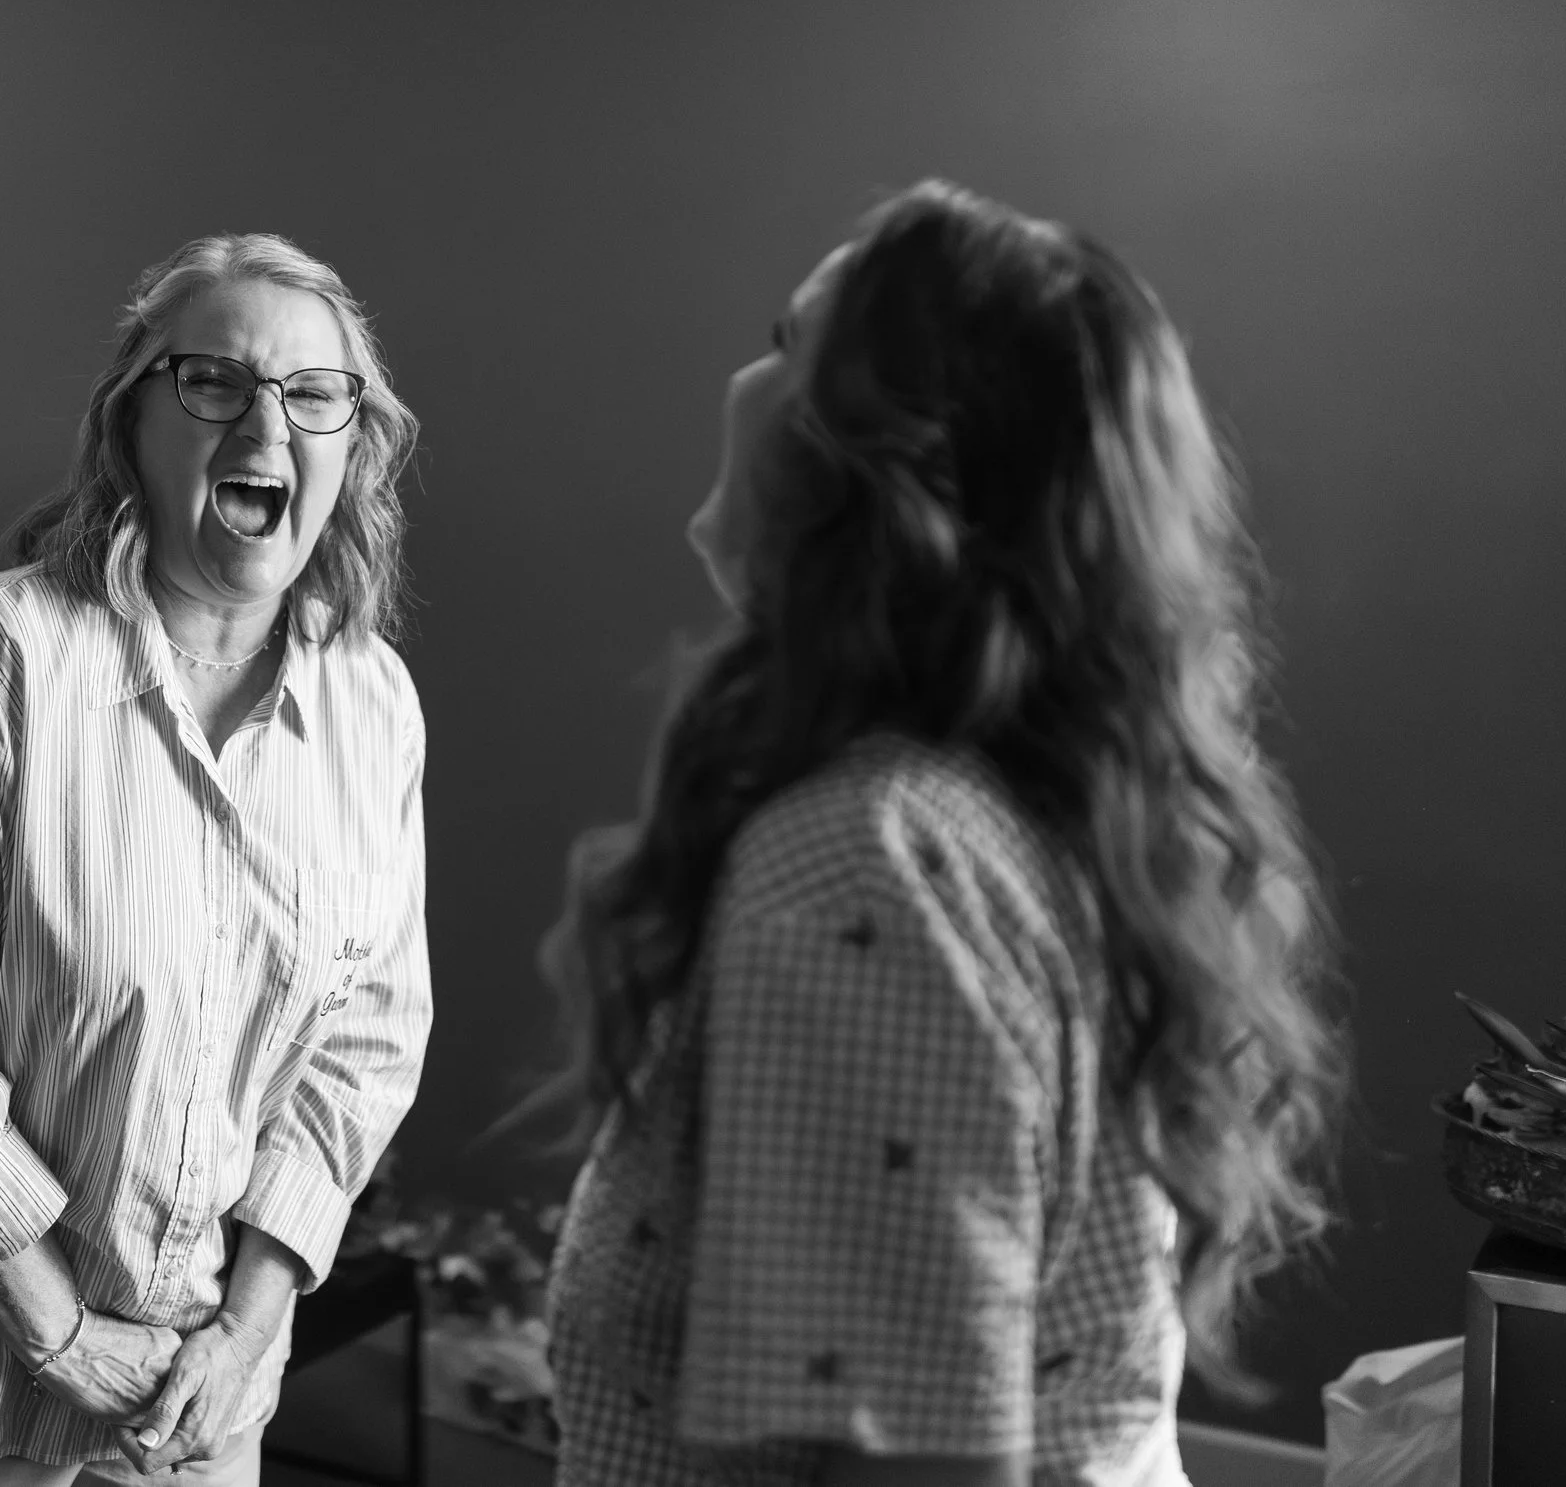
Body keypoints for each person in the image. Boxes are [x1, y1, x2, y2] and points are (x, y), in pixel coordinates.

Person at [538, 183, 1345, 1487]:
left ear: (876, 464)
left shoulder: (867, 864)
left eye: (790, 340)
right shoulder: (1039, 822)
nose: (743, 376)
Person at [0, 233, 433, 1486]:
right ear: (130, 423)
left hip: (189, 1394)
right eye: (214, 379)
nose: (267, 420)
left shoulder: (372, 704)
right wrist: (61, 1332)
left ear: (351, 441)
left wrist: (243, 1331)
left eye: (315, 393)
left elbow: (365, 1047)